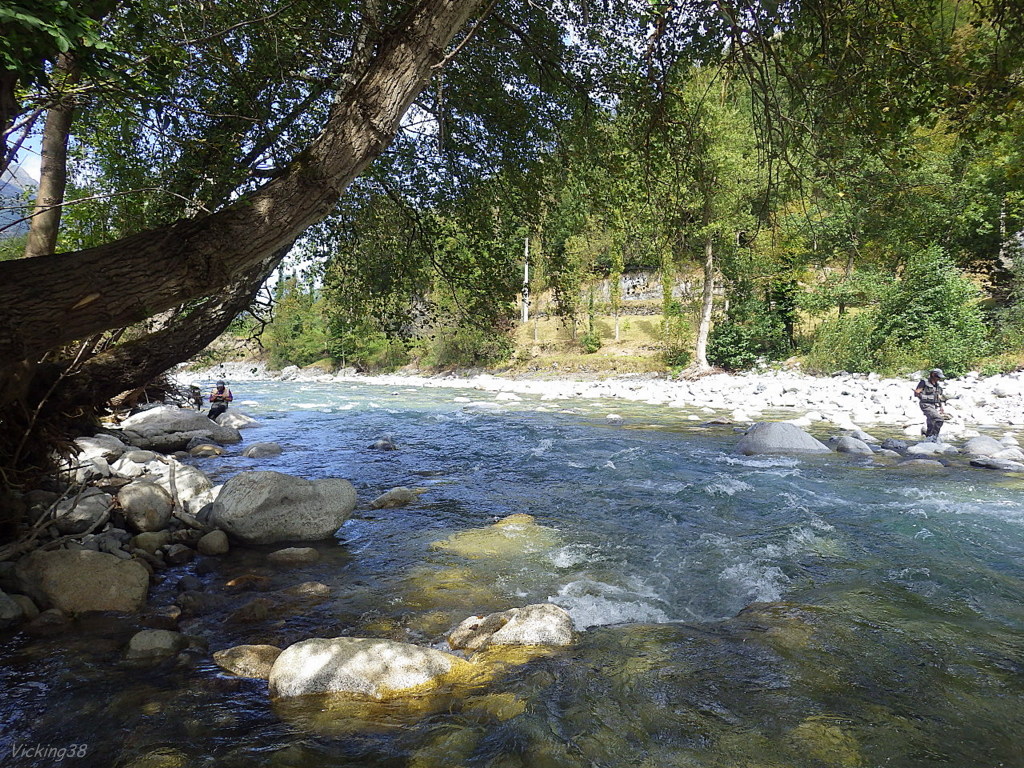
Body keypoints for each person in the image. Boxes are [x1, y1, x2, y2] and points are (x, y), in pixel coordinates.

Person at [914, 368, 947, 442]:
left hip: (933, 406)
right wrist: (918, 393)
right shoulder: (924, 382)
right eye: (937, 377)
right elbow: (916, 393)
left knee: (931, 422)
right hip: (925, 405)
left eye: (939, 378)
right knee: (939, 419)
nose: (938, 379)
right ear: (933, 375)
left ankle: (928, 438)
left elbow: (939, 397)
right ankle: (934, 437)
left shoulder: (937, 386)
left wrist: (941, 407)